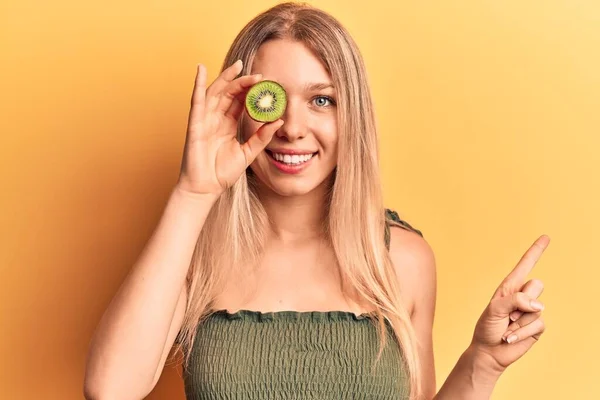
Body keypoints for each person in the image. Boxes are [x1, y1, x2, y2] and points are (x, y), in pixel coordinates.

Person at [83, 3, 549, 399]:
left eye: (322, 100)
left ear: (354, 117)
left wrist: (483, 361)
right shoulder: (194, 250)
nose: (291, 127)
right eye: (271, 99)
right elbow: (110, 388)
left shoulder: (402, 259)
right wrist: (192, 193)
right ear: (239, 111)